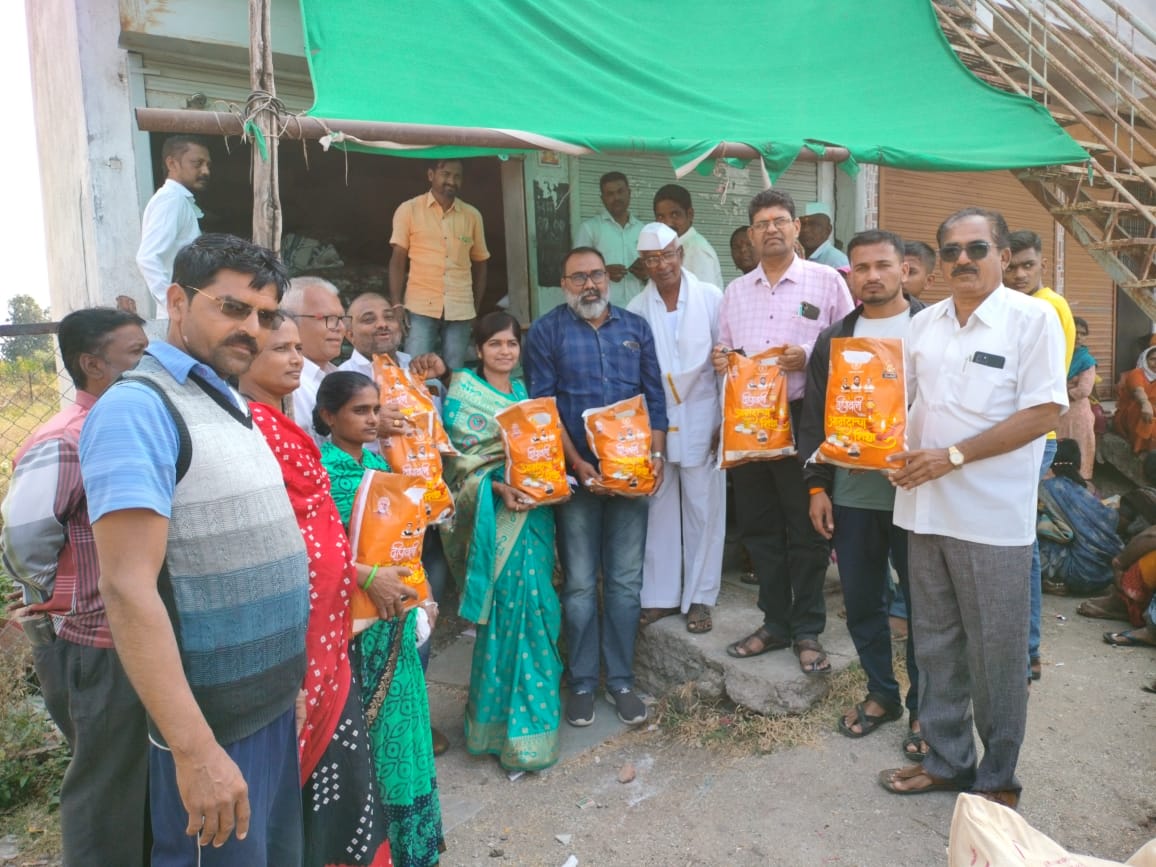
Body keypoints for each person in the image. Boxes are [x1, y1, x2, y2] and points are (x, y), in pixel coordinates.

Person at [80, 234, 311, 865]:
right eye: (233, 308)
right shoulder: (139, 410)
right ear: (178, 301)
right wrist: (195, 750)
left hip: (264, 712)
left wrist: (285, 684)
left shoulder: (227, 397)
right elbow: (128, 589)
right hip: (212, 732)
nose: (252, 329)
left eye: (265, 316)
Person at [878, 207, 1067, 810]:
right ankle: (947, 759)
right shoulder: (923, 323)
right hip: (923, 508)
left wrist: (952, 456)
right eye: (952, 250)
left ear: (1003, 255)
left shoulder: (1032, 318)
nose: (964, 259)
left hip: (990, 518)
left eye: (977, 248)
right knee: (934, 645)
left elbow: (1044, 412)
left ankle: (998, 778)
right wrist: (876, 446)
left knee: (997, 655)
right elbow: (899, 403)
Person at [237, 320, 394, 867]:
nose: (295, 359)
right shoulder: (247, 428)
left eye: (297, 349)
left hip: (332, 628)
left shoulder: (282, 424)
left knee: (342, 770)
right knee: (313, 772)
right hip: (300, 633)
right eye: (280, 349)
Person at [0, 308, 150, 866]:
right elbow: (25, 539)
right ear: (93, 364)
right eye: (136, 354)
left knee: (133, 774)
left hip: (129, 632)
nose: (148, 365)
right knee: (104, 787)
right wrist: (66, 600)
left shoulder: (123, 427)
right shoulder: (67, 437)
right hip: (92, 641)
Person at [711, 189, 854, 674]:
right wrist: (721, 360)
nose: (771, 229)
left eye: (780, 221)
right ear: (751, 235)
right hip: (751, 422)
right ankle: (774, 622)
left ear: (797, 227)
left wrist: (808, 356)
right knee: (760, 526)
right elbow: (726, 349)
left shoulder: (826, 281)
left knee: (807, 526)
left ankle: (807, 628)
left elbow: (850, 347)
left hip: (803, 417)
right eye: (761, 224)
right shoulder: (735, 291)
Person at [524, 246, 667, 727]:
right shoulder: (547, 331)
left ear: (609, 279)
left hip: (631, 476)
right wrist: (579, 463)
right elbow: (544, 407)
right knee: (581, 585)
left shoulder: (635, 328)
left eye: (597, 275)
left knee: (625, 584)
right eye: (579, 277)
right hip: (577, 477)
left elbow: (655, 398)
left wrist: (656, 457)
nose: (590, 285)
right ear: (563, 284)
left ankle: (621, 680)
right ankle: (583, 682)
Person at [415, 312, 563, 771]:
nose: (504, 351)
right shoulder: (463, 397)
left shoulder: (523, 393)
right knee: (505, 618)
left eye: (511, 344)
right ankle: (497, 730)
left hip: (535, 516)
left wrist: (550, 482)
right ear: (478, 349)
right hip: (496, 519)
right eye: (495, 344)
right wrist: (497, 486)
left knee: (540, 612)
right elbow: (458, 468)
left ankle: (533, 729)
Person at [798, 230, 924, 754]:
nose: (872, 276)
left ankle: (925, 710)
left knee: (925, 607)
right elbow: (814, 418)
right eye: (861, 268)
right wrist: (816, 486)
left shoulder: (933, 328)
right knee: (863, 599)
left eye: (882, 265)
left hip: (921, 493)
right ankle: (882, 693)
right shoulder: (835, 339)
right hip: (853, 494)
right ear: (849, 275)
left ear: (903, 269)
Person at [315, 371, 446, 867]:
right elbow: (322, 555)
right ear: (329, 416)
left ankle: (414, 851)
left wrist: (424, 597)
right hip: (352, 630)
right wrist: (370, 579)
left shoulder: (378, 466)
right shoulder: (322, 474)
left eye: (375, 410)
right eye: (359, 411)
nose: (372, 419)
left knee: (405, 732)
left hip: (396, 621)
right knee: (366, 744)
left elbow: (406, 544)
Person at [626, 223, 725, 634]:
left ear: (680, 254)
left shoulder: (710, 297)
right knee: (659, 507)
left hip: (705, 415)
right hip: (658, 422)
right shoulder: (636, 308)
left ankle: (701, 596)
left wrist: (725, 419)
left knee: (705, 508)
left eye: (667, 254)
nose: (662, 264)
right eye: (652, 259)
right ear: (642, 264)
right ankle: (660, 596)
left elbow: (726, 363)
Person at [1005, 228, 1076, 681]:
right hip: (1011, 434)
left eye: (1027, 266)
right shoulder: (1014, 306)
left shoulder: (1048, 307)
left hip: (1033, 435)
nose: (1018, 275)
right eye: (1012, 266)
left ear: (1042, 265)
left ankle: (1028, 648)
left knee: (1020, 539)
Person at [389, 159, 490, 371]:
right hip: (420, 307)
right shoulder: (409, 210)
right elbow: (398, 259)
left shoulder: (472, 216)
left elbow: (481, 264)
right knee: (415, 370)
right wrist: (396, 304)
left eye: (457, 176)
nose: (451, 181)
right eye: (445, 174)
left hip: (461, 309)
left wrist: (475, 308)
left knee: (454, 373)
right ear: (431, 175)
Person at [137, 135, 211, 321]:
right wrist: (173, 304)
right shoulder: (171, 199)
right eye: (197, 163)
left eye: (207, 165)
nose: (205, 171)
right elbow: (147, 258)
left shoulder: (179, 200)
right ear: (172, 163)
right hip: (178, 318)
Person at [1037, 439, 1121, 597]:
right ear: (1079, 463)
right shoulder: (1089, 490)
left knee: (1033, 523)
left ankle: (1047, 579)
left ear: (1052, 462)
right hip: (1106, 574)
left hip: (1078, 574)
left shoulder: (1047, 488)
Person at [282, 276, 350, 443]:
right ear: (290, 321)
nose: (339, 328)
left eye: (341, 319)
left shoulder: (340, 376)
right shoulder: (287, 384)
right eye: (327, 318)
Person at [573, 172, 647, 305]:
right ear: (602, 199)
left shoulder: (643, 230)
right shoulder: (589, 229)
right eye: (610, 194)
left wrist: (646, 273)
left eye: (620, 192)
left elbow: (654, 274)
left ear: (629, 193)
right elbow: (576, 272)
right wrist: (602, 273)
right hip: (602, 308)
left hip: (639, 307)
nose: (616, 198)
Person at [652, 184, 725, 289]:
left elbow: (703, 297)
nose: (668, 223)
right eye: (660, 217)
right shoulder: (671, 247)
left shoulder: (697, 251)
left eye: (674, 214)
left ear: (690, 214)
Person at [1056, 317, 1097, 482]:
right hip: (1056, 411)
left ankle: (1080, 478)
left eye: (1083, 333)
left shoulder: (1087, 361)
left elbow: (1083, 390)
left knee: (1078, 445)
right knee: (1057, 443)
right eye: (1075, 332)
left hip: (1077, 412)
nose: (1079, 337)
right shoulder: (1057, 354)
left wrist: (1057, 392)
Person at [1115, 345, 1156, 454]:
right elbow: (1139, 391)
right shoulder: (1137, 373)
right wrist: (1145, 403)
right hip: (1131, 413)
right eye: (1153, 359)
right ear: (1145, 360)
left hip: (1152, 411)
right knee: (1141, 409)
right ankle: (1140, 447)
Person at [798, 202, 849, 268]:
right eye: (802, 224)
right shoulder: (793, 257)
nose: (805, 230)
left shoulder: (838, 262)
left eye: (813, 224)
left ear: (828, 230)